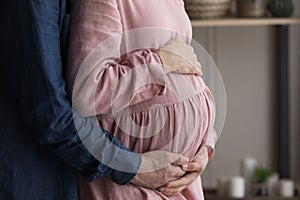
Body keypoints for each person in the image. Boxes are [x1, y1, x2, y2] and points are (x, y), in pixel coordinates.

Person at [0, 0, 211, 199]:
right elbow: (52, 111)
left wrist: (202, 145)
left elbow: (187, 69)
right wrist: (133, 167)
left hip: (179, 177)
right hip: (109, 177)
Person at [67, 0, 217, 199]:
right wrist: (160, 63)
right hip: (133, 181)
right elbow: (88, 92)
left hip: (182, 181)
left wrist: (203, 146)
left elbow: (186, 68)